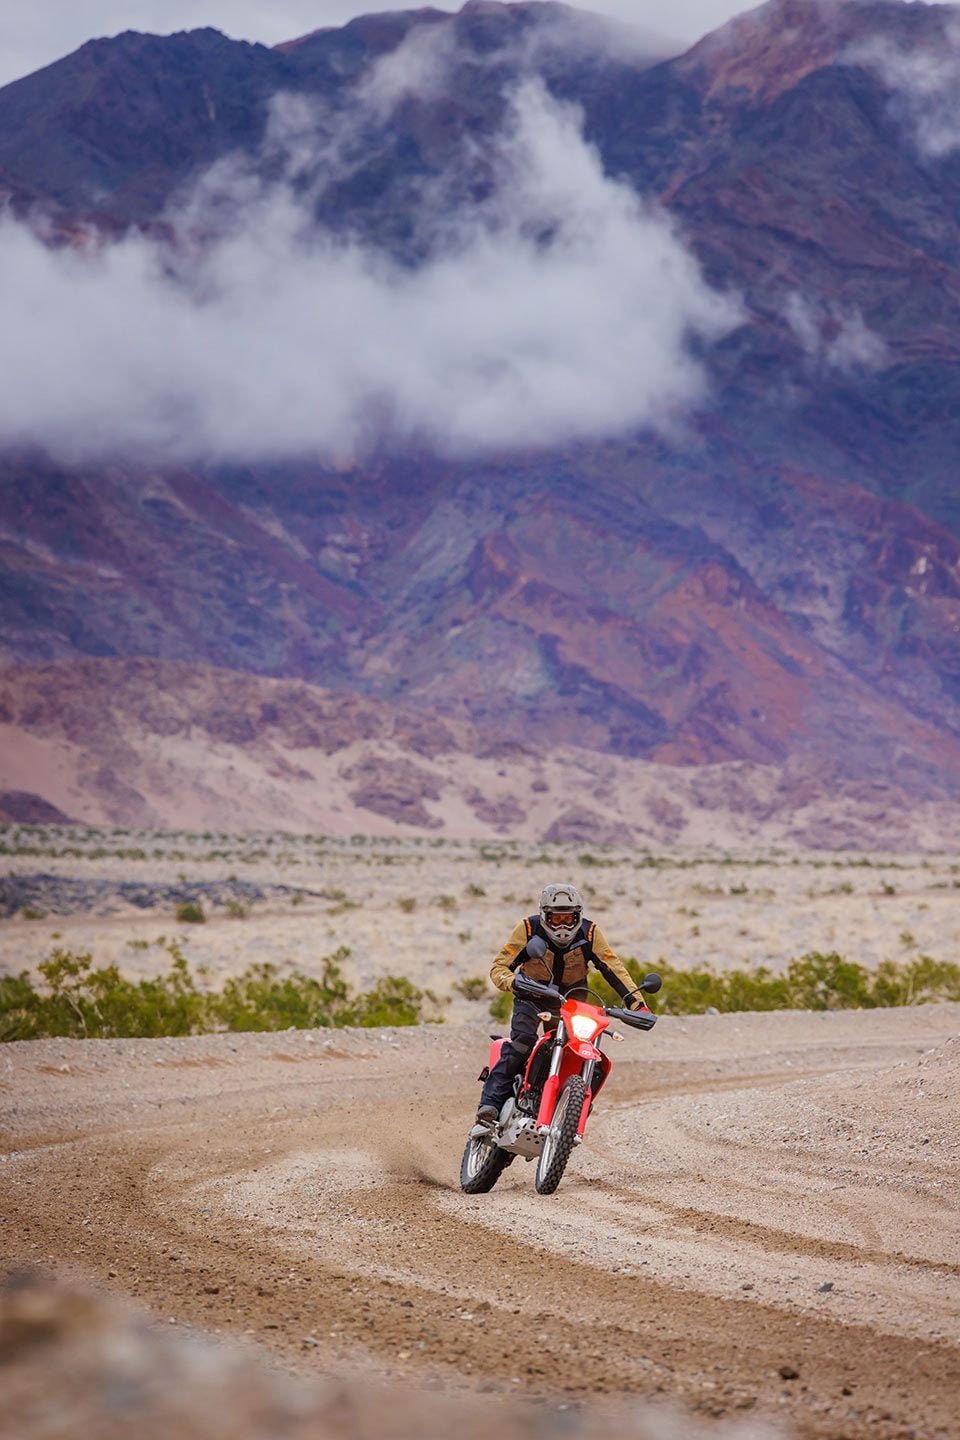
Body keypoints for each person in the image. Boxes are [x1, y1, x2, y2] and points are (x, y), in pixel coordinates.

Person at [476, 881, 643, 1127]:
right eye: (556, 918)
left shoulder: (590, 933)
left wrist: (637, 1003)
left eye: (568, 917)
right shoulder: (528, 928)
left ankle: (572, 1107)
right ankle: (490, 1104)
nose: (563, 924)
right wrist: (514, 983)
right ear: (545, 916)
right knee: (523, 1043)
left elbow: (612, 967)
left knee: (578, 1052)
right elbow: (499, 967)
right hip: (532, 996)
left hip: (572, 1003)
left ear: (578, 915)